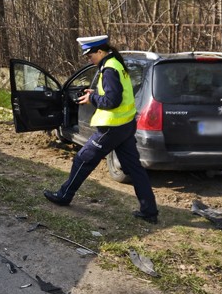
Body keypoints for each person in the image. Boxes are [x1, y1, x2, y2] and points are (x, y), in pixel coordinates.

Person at [43, 35, 160, 224]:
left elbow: (112, 101)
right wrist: (96, 93)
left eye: (90, 55)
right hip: (125, 125)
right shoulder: (115, 63)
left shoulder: (109, 69)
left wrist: (93, 99)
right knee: (135, 169)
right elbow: (114, 93)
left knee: (82, 159)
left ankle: (64, 196)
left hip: (111, 128)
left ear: (100, 51)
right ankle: (150, 211)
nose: (89, 59)